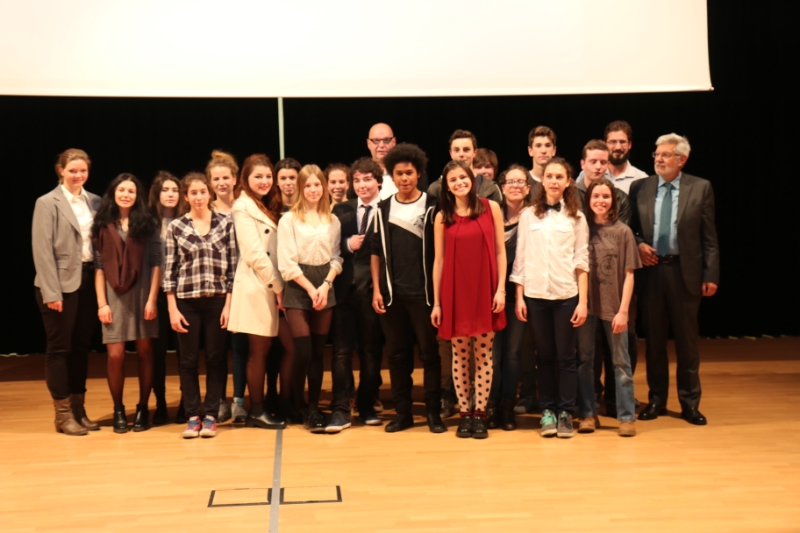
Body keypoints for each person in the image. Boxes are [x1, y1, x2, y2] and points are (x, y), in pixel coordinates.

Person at [629, 134, 720, 426]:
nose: (658, 159)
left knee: (687, 344)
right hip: (652, 272)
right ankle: (656, 400)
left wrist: (710, 274)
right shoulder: (640, 187)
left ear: (682, 159)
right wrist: (639, 244)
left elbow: (709, 237)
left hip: (685, 274)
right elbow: (630, 229)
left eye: (665, 155)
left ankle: (690, 404)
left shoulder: (700, 187)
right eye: (656, 154)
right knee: (654, 342)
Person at [370, 143, 446, 434]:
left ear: (419, 174)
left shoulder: (433, 206)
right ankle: (403, 414)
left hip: (424, 296)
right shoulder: (382, 208)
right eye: (399, 173)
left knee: (430, 355)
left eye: (409, 173)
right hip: (393, 296)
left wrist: (438, 298)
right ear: (392, 175)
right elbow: (375, 252)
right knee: (397, 356)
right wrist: (377, 290)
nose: (404, 178)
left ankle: (433, 413)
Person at [511, 157, 589, 438]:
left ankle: (565, 412)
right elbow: (520, 259)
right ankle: (547, 411)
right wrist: (519, 297)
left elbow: (582, 260)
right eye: (550, 176)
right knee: (543, 357)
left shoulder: (577, 217)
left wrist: (583, 302)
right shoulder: (529, 216)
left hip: (566, 294)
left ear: (568, 182)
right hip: (535, 295)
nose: (554, 181)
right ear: (542, 181)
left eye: (559, 177)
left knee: (566, 357)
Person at [431, 161, 507, 439]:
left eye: (463, 177)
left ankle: (480, 414)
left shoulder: (491, 207)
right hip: (455, 292)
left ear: (472, 179)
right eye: (453, 179)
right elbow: (439, 261)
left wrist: (500, 289)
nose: (459, 182)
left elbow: (500, 251)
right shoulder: (442, 216)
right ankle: (465, 413)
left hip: (485, 289)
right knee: (460, 355)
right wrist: (437, 303)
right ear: (447, 186)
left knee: (484, 355)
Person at [32, 148, 101, 436]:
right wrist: (52, 292)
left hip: (88, 280)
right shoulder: (47, 202)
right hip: (59, 284)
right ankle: (62, 415)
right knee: (59, 348)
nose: (78, 175)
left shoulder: (95, 201)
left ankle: (78, 409)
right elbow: (42, 250)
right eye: (72, 170)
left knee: (81, 347)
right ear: (60, 170)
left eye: (83, 170)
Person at [163, 172, 237, 439]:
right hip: (187, 302)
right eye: (193, 193)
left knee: (216, 359)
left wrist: (228, 305)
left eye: (202, 192)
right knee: (188, 360)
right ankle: (192, 415)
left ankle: (211, 415)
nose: (198, 197)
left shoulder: (225, 224)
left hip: (217, 301)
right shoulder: (176, 227)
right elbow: (169, 271)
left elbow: (233, 268)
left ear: (209, 194)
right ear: (186, 196)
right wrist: (172, 308)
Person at [92, 173, 161, 433]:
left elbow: (156, 263)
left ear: (137, 195)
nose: (126, 195)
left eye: (131, 191)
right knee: (115, 355)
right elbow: (99, 267)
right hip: (113, 297)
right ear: (113, 193)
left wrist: (152, 299)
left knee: (145, 352)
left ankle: (143, 408)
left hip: (142, 294)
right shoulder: (102, 224)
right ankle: (118, 409)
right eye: (121, 190)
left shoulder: (148, 223)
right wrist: (102, 303)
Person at [277, 164, 343, 433]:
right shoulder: (289, 220)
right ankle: (297, 403)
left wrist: (325, 285)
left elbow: (336, 257)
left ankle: (314, 408)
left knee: (317, 352)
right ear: (300, 189)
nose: (313, 190)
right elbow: (286, 263)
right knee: (302, 350)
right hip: (298, 285)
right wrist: (310, 288)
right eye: (308, 185)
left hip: (325, 284)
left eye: (317, 185)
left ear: (324, 187)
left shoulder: (333, 220)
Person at [576, 178, 641, 437]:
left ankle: (626, 416)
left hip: (614, 308)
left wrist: (623, 311)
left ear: (613, 200)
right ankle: (588, 413)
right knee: (585, 361)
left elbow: (630, 275)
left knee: (621, 362)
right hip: (586, 307)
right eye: (596, 196)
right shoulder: (581, 229)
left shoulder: (623, 231)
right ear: (588, 199)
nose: (600, 201)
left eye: (606, 196)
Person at [227, 154, 287, 429]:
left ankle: (266, 406)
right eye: (257, 176)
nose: (264, 181)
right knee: (258, 350)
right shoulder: (242, 206)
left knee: (267, 349)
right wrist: (278, 286)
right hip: (257, 285)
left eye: (267, 176)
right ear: (245, 178)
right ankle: (257, 410)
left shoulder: (265, 204)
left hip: (268, 284)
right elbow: (253, 253)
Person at [330, 157, 385, 431]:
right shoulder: (342, 209)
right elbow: (328, 245)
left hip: (372, 291)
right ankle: (340, 409)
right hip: (344, 291)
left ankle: (366, 405)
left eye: (367, 179)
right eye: (357, 180)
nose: (362, 185)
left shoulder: (387, 209)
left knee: (370, 352)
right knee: (341, 352)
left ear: (378, 182)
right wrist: (346, 243)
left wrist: (380, 286)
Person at [492, 165, 534, 430]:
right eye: (511, 181)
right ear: (502, 186)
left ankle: (507, 407)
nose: (515, 186)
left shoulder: (534, 217)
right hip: (492, 294)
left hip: (520, 294)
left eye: (521, 182)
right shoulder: (490, 214)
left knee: (513, 353)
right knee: (493, 355)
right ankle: (491, 405)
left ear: (528, 188)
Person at [205, 150, 242, 422]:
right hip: (218, 287)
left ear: (235, 178)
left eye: (226, 178)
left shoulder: (244, 206)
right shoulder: (206, 210)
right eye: (216, 179)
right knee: (216, 350)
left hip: (245, 283)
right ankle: (218, 399)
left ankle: (239, 400)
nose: (222, 183)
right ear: (210, 182)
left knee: (240, 347)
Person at [148, 171, 186, 425]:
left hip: (182, 293)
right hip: (155, 295)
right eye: (165, 190)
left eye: (174, 190)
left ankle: (186, 403)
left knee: (185, 353)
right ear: (157, 194)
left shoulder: (186, 220)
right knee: (157, 352)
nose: (170, 194)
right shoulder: (148, 222)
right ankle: (160, 404)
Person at [427, 130, 502, 203]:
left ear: (475, 152)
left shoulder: (491, 188)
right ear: (451, 154)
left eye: (466, 150)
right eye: (456, 150)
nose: (461, 154)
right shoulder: (437, 188)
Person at [605, 120, 649, 194]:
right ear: (605, 144)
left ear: (629, 145)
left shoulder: (642, 179)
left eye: (622, 142)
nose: (618, 147)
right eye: (613, 142)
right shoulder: (592, 173)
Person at [366, 123, 399, 199]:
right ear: (368, 144)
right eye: (376, 141)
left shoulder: (406, 173)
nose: (381, 145)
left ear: (394, 142)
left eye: (386, 140)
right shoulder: (360, 175)